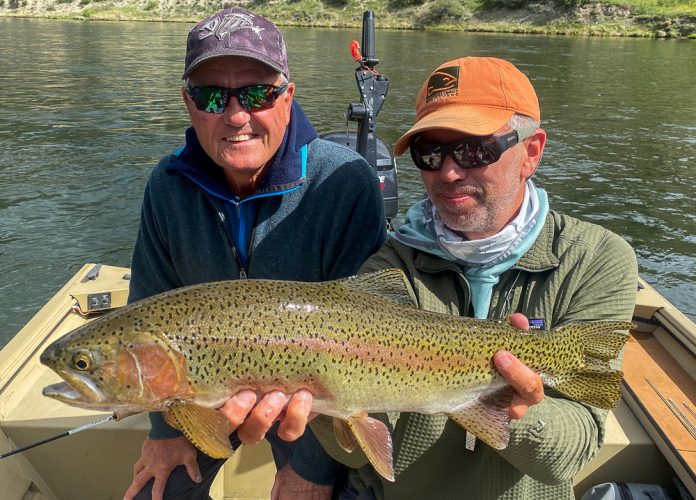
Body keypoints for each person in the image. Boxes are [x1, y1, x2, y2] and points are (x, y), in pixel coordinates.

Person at [276, 56, 639, 499]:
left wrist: (510, 410)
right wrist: (324, 405)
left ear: (531, 152)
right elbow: (356, 454)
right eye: (431, 153)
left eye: (474, 150)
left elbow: (574, 451)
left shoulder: (596, 258)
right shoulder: (390, 269)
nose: (449, 172)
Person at [122, 7, 386, 500]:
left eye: (259, 93)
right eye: (212, 96)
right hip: (197, 390)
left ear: (288, 96)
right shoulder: (167, 186)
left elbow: (369, 322)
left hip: (317, 404)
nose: (237, 116)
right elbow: (146, 312)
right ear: (188, 103)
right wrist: (162, 433)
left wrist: (313, 470)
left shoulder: (345, 182)